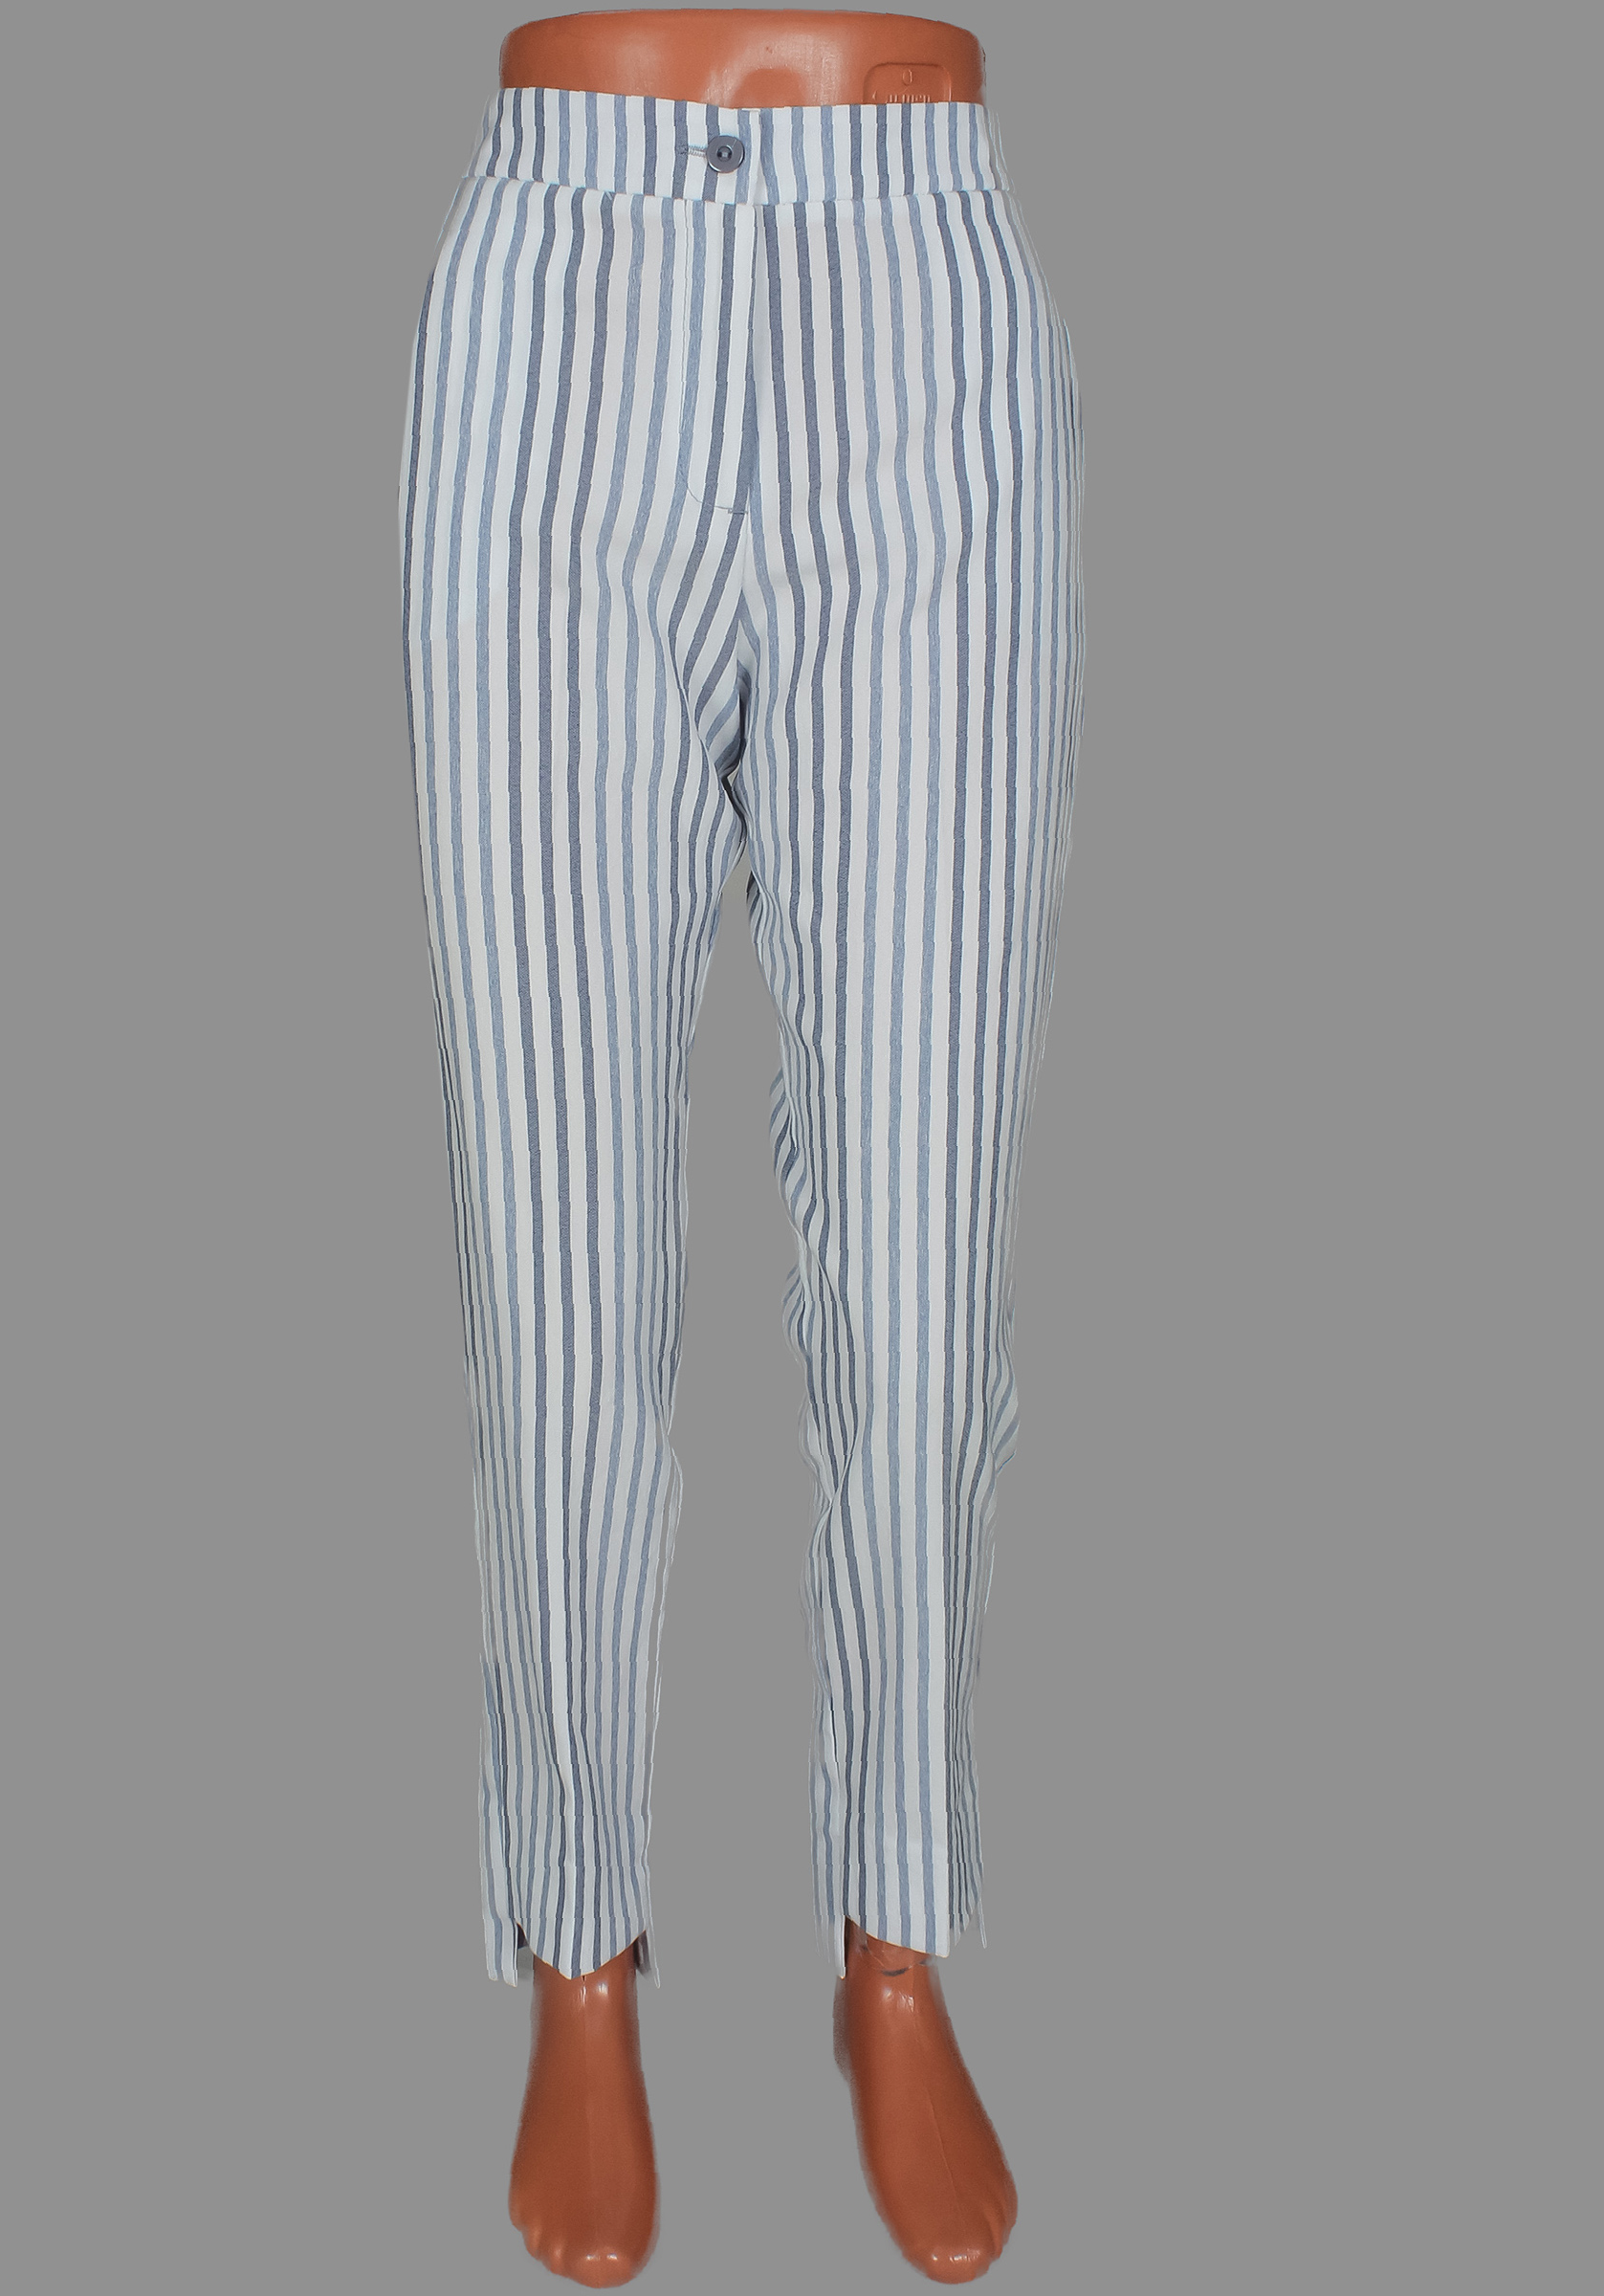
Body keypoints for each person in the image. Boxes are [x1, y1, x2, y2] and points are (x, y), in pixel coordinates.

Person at [399, 10, 1084, 2280]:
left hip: (920, 303)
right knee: (559, 1262)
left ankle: (896, 1942)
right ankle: (578, 1947)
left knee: (925, 1256)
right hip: (561, 309)